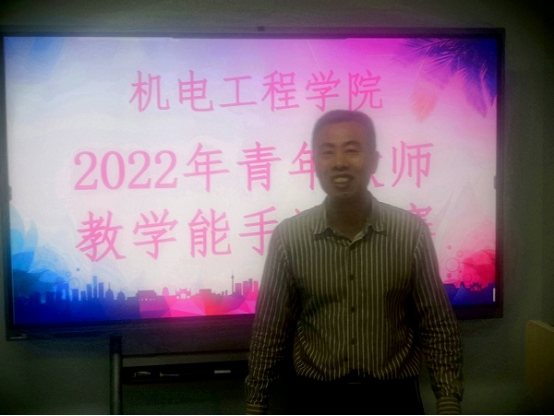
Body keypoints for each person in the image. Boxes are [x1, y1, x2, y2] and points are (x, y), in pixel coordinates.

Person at [245, 109, 463, 415]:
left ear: (374, 160)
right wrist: (256, 404)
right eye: (327, 152)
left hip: (393, 398)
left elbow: (436, 323)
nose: (339, 163)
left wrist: (448, 400)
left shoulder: (410, 232)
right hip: (316, 399)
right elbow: (271, 330)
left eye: (352, 150)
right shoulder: (289, 237)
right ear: (314, 163)